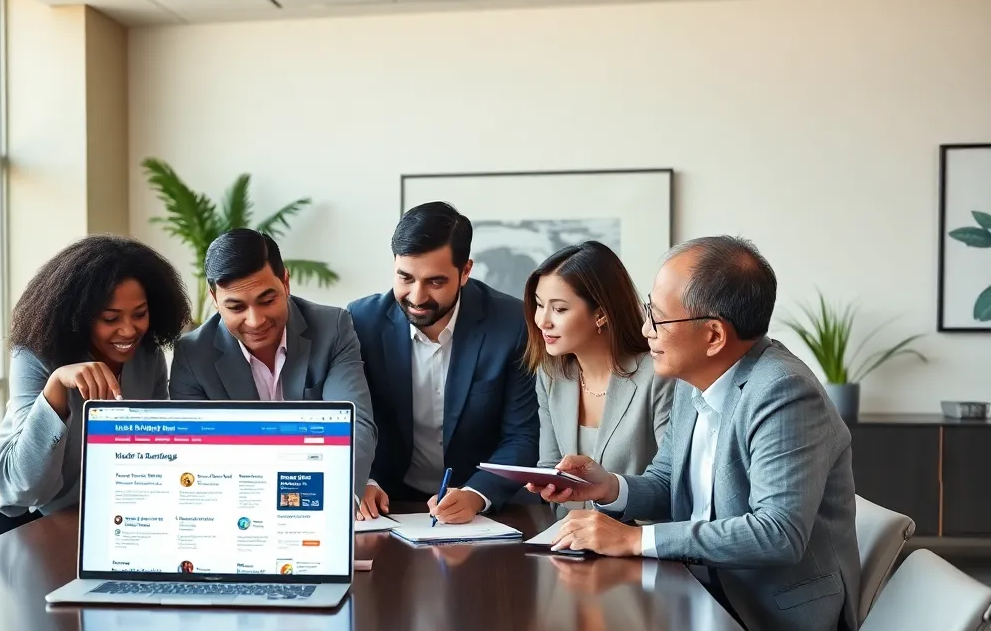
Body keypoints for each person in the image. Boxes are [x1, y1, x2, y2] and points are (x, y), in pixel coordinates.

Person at [532, 236, 860, 631]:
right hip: (697, 588)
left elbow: (778, 533)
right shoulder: (693, 378)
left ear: (713, 336)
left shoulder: (783, 392)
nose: (645, 329)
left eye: (659, 319)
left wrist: (635, 540)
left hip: (764, 617)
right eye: (649, 311)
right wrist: (609, 488)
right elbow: (668, 480)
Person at [0, 235, 192, 551]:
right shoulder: (35, 355)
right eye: (110, 318)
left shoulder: (147, 357)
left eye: (140, 313)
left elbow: (154, 450)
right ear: (79, 315)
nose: (129, 330)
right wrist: (55, 389)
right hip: (2, 507)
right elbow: (26, 487)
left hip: (76, 512)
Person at [348, 201, 538, 524]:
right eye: (405, 278)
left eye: (435, 282)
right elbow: (349, 419)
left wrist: (477, 495)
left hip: (480, 506)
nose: (417, 297)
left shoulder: (512, 324)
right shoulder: (359, 322)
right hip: (386, 503)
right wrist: (362, 480)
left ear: (465, 272)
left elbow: (523, 435)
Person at [169, 228, 378, 500]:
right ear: (214, 298)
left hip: (321, 494)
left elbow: (356, 426)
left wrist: (327, 498)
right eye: (236, 308)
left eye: (267, 301)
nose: (255, 321)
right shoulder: (192, 354)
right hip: (239, 502)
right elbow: (194, 452)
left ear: (286, 283)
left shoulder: (332, 328)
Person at [525, 241, 674, 517]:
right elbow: (549, 464)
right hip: (567, 538)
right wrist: (548, 483)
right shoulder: (550, 375)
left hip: (638, 540)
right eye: (539, 305)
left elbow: (673, 482)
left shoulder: (657, 376)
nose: (542, 320)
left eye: (559, 309)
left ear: (601, 314)